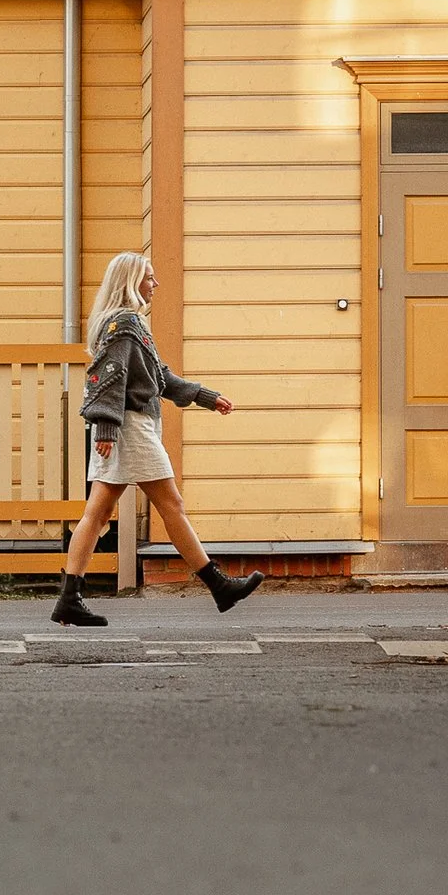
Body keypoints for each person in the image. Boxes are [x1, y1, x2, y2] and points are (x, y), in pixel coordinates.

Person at [53, 250, 263, 627]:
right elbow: (107, 376)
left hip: (125, 426)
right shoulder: (126, 323)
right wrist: (105, 426)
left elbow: (158, 376)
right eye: (150, 277)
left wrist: (204, 396)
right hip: (129, 428)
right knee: (172, 505)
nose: (156, 283)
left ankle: (69, 598)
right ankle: (219, 586)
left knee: (97, 512)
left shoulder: (128, 325)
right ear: (133, 282)